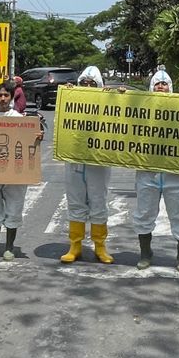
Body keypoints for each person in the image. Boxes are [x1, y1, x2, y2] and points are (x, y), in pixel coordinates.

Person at [133, 68, 179, 273]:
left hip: (174, 172)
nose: (160, 86)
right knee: (144, 212)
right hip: (147, 170)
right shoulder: (140, 106)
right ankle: (145, 253)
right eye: (157, 83)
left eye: (164, 83)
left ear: (170, 87)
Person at [0, 83, 43, 260]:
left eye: (6, 95)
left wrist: (38, 136)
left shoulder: (20, 119)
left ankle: (9, 247)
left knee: (14, 207)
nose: (3, 99)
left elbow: (30, 141)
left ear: (11, 97)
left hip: (15, 172)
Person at [60, 65, 114, 265]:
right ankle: (75, 245)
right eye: (84, 83)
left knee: (98, 202)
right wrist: (67, 96)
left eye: (93, 83)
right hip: (74, 159)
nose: (88, 86)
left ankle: (100, 246)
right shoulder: (71, 99)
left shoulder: (108, 101)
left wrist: (117, 97)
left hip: (98, 162)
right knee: (75, 202)